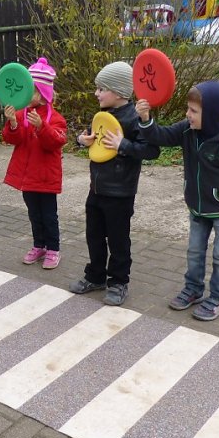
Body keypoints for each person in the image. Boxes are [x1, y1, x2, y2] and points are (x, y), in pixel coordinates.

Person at [135, 81, 219, 321]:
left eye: (193, 111)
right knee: (194, 251)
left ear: (212, 114)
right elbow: (160, 136)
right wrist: (145, 119)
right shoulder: (187, 131)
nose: (187, 115)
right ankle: (193, 290)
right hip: (197, 206)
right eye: (188, 109)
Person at [69, 62, 160, 305]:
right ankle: (95, 275)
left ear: (119, 92)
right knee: (94, 235)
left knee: (119, 239)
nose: (96, 93)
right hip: (96, 188)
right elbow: (93, 139)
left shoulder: (134, 118)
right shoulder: (102, 115)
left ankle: (119, 281)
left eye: (101, 89)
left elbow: (151, 150)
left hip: (120, 192)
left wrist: (124, 146)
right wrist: (82, 141)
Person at [2, 57, 68, 269]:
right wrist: (12, 123)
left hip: (45, 177)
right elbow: (14, 139)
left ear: (41, 94)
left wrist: (42, 127)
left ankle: (53, 249)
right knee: (34, 214)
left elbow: (57, 142)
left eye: (28, 90)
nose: (23, 94)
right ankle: (39, 245)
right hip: (27, 177)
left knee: (49, 216)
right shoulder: (21, 113)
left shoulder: (55, 118)